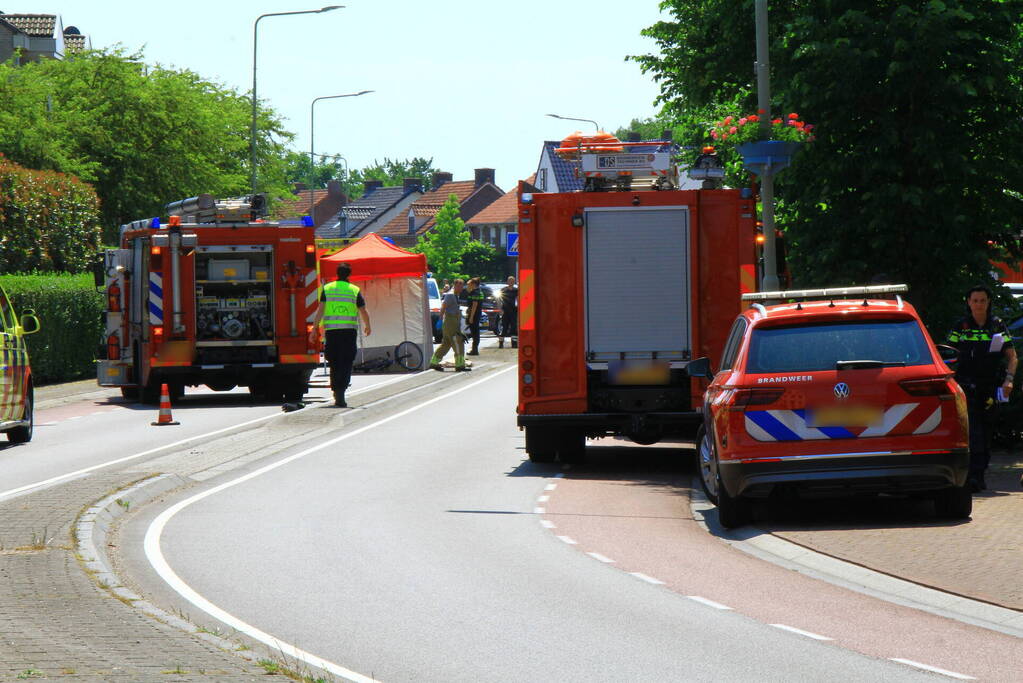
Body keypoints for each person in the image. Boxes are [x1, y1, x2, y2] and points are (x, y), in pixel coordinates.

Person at [946, 284, 1017, 491]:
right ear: (968, 302)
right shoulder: (961, 326)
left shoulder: (996, 325)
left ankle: (980, 473)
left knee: (986, 432)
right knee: (974, 431)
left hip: (991, 386)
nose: (979, 305)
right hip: (966, 386)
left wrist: (1009, 379)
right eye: (975, 300)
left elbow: (1012, 356)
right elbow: (948, 356)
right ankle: (973, 477)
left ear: (988, 302)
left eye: (982, 301)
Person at [311, 262, 371, 407]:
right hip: (349, 333)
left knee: (334, 362)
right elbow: (363, 310)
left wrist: (314, 329)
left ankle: (336, 391)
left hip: (332, 333)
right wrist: (368, 325)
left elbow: (320, 310)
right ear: (349, 274)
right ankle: (341, 392)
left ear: (337, 274)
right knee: (346, 361)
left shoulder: (328, 288)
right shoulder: (354, 290)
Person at [429, 278, 469, 372]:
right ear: (455, 285)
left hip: (452, 321)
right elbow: (443, 307)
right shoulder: (450, 295)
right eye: (459, 286)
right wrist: (440, 320)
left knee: (446, 344)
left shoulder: (455, 295)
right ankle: (460, 365)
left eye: (462, 286)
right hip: (451, 322)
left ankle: (434, 363)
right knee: (457, 342)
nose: (461, 288)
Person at [464, 277, 484, 356]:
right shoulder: (477, 291)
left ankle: (474, 350)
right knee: (475, 331)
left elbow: (474, 305)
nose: (468, 286)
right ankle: (474, 349)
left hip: (475, 315)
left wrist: (471, 317)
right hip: (476, 314)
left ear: (473, 284)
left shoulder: (476, 292)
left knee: (475, 332)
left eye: (469, 284)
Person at [498, 275, 518, 349]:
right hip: (505, 311)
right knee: (504, 327)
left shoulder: (516, 290)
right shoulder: (503, 290)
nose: (511, 282)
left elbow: (519, 299)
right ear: (507, 281)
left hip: (513, 311)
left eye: (512, 281)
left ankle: (514, 344)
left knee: (514, 328)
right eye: (510, 281)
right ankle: (501, 343)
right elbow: (499, 299)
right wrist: (500, 309)